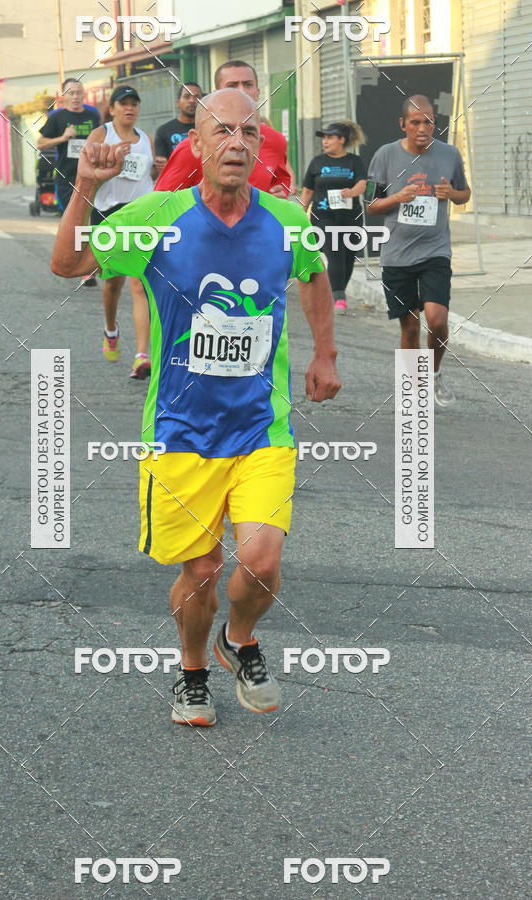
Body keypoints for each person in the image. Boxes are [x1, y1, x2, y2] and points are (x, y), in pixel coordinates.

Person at [51, 89, 341, 727]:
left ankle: (238, 639)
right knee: (203, 570)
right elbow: (67, 262)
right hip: (181, 430)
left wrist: (325, 353)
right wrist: (83, 189)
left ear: (258, 145)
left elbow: (314, 273)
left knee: (261, 565)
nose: (237, 143)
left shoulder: (288, 222)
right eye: (222, 132)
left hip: (262, 425)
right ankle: (190, 671)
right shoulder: (155, 216)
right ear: (196, 145)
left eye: (248, 133)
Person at [367, 95, 470, 407]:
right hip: (397, 256)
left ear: (435, 124)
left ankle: (434, 374)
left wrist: (452, 193)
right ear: (403, 124)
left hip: (435, 251)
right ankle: (412, 388)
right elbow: (371, 205)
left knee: (437, 319)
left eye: (428, 122)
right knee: (410, 325)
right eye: (415, 122)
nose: (422, 128)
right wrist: (397, 198)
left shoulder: (450, 155)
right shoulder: (384, 156)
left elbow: (465, 194)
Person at [86, 85, 156, 378]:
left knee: (140, 285)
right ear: (112, 108)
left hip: (142, 214)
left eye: (134, 104)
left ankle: (142, 356)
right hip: (108, 213)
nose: (129, 108)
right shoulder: (102, 135)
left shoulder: (145, 139)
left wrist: (159, 169)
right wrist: (111, 157)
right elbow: (87, 170)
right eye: (123, 103)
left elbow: (148, 176)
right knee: (113, 284)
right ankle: (111, 328)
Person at [154, 61, 295, 198]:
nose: (241, 91)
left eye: (248, 84)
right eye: (232, 85)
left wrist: (279, 195)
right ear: (217, 93)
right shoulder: (198, 144)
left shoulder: (276, 140)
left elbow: (281, 180)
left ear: (257, 92)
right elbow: (162, 202)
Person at [300, 121, 367, 314]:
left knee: (347, 258)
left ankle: (334, 292)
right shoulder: (317, 162)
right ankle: (339, 298)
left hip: (350, 218)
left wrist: (352, 191)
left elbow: (363, 183)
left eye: (330, 137)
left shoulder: (354, 162)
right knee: (335, 250)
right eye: (324, 138)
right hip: (323, 217)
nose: (325, 141)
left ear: (341, 140)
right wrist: (299, 216)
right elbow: (307, 191)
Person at [37, 78, 100, 213]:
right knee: (72, 218)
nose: (75, 97)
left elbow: (102, 140)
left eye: (79, 93)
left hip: (91, 176)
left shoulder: (93, 115)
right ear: (63, 96)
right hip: (67, 177)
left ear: (84, 94)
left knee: (90, 219)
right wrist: (62, 138)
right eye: (71, 93)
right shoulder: (57, 117)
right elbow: (40, 144)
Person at [154, 82, 203, 173]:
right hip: (176, 185)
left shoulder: (209, 130)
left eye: (196, 97)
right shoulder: (163, 131)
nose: (192, 100)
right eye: (187, 96)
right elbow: (161, 166)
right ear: (178, 102)